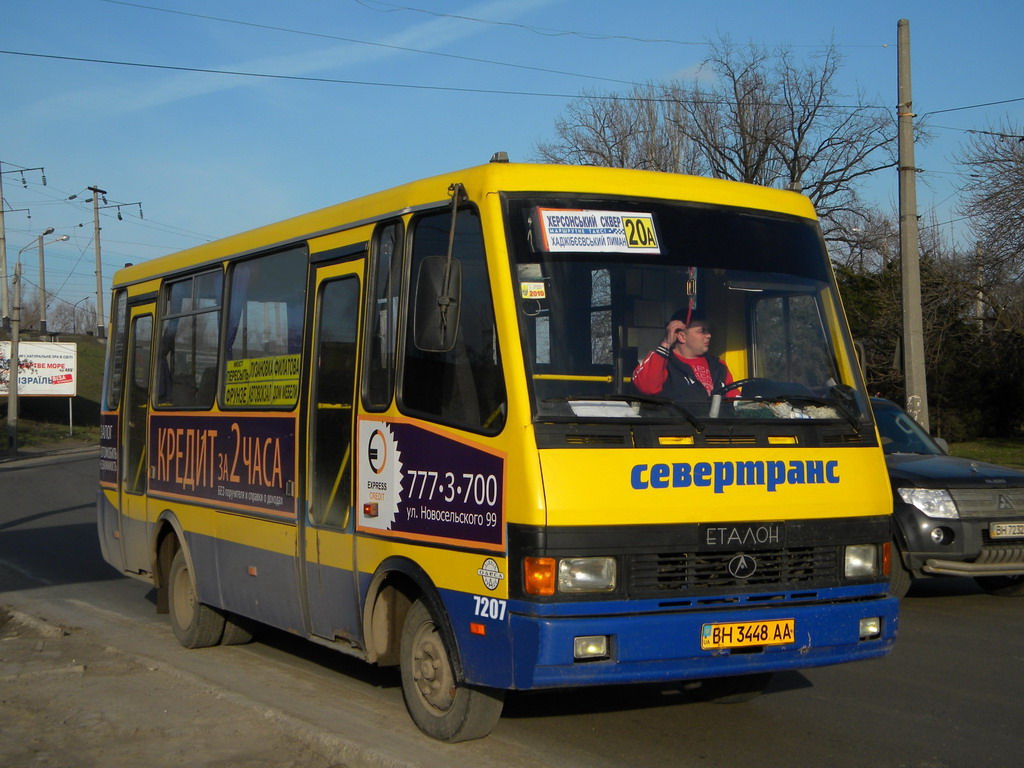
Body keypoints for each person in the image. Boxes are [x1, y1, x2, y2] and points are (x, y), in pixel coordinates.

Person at [632, 311, 735, 401]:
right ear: (682, 336)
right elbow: (647, 388)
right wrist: (666, 343)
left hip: (714, 423)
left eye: (708, 331)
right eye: (702, 331)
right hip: (676, 423)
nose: (709, 335)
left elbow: (734, 401)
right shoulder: (663, 364)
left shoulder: (719, 366)